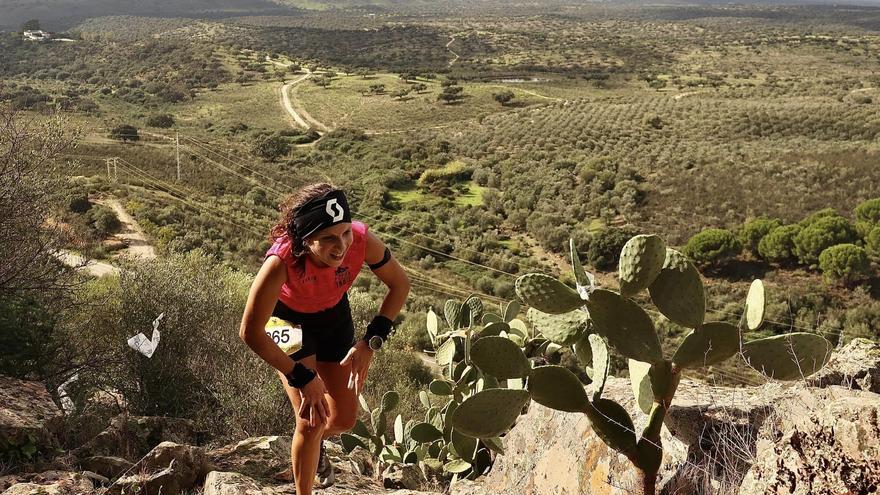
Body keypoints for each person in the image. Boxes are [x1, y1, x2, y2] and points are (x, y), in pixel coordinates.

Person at [239, 183, 410, 494]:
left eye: (344, 233)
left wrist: (370, 342)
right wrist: (302, 375)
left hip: (333, 317)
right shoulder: (280, 262)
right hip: (288, 322)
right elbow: (250, 331)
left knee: (343, 419)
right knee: (311, 421)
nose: (342, 245)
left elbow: (400, 284)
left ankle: (311, 447)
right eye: (329, 238)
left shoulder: (361, 238)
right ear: (306, 239)